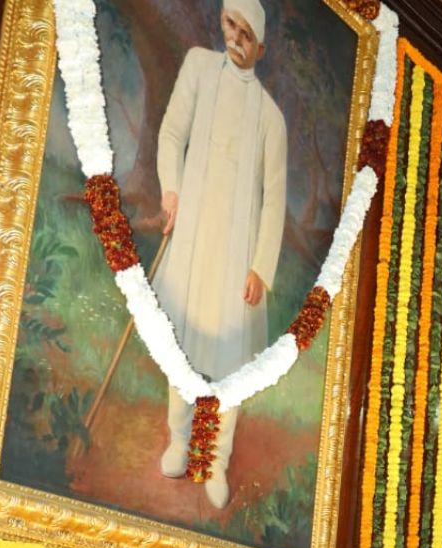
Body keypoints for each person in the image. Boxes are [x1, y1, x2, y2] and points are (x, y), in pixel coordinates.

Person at [151, 0, 287, 510]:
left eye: (247, 34)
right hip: (192, 235)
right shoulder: (198, 66)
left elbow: (274, 199)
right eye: (231, 25)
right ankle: (180, 440)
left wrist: (261, 267)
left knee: (231, 363)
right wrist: (171, 189)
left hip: (238, 253)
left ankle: (218, 459)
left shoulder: (272, 118)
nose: (235, 38)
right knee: (180, 342)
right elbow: (171, 133)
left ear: (262, 46)